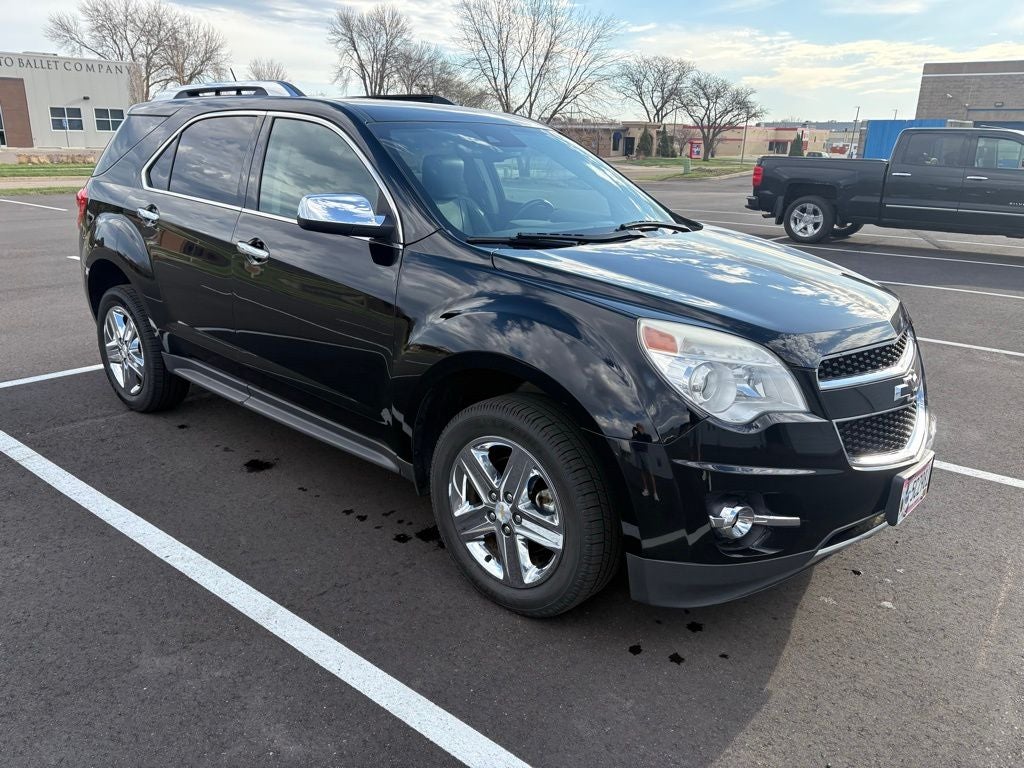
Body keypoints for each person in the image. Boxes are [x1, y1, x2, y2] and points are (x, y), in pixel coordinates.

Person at [631, 424, 659, 501]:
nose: (637, 428)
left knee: (650, 473)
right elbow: (633, 441)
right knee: (642, 471)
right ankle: (646, 489)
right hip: (638, 454)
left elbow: (650, 441)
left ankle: (655, 493)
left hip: (644, 453)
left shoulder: (646, 435)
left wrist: (642, 432)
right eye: (637, 427)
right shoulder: (636, 436)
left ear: (642, 428)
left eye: (638, 427)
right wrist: (633, 432)